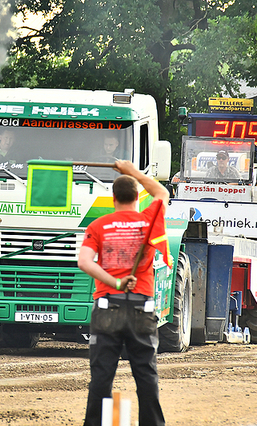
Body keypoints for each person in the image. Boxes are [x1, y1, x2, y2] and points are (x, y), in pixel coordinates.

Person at [78, 160, 169, 426]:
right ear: (137, 196)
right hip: (142, 307)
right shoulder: (149, 221)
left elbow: (84, 262)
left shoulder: (99, 226)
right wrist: (132, 171)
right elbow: (162, 193)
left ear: (113, 198)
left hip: (108, 307)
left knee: (102, 376)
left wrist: (116, 284)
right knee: (146, 374)